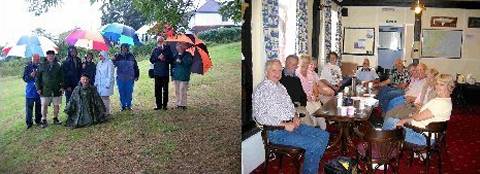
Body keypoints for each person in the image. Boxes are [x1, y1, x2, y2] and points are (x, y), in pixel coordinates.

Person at [253, 59, 329, 174]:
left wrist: (295, 116)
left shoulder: (281, 87)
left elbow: (290, 106)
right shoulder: (261, 90)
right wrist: (284, 125)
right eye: (274, 70)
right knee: (314, 144)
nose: (277, 74)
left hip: (293, 125)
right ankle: (309, 169)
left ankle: (309, 164)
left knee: (324, 135)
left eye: (279, 70)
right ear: (266, 71)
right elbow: (260, 117)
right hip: (277, 131)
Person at [383, 74, 455, 146]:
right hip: (421, 132)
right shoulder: (442, 100)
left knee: (390, 121)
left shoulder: (441, 103)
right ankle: (389, 145)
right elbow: (420, 117)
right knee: (395, 121)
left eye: (441, 85)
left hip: (421, 137)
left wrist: (412, 114)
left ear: (449, 87)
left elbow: (418, 117)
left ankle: (384, 150)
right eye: (437, 84)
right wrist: (406, 120)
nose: (437, 87)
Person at [36, 50, 64, 128]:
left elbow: (62, 77)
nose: (51, 57)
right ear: (46, 56)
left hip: (56, 89)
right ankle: (44, 119)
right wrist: (38, 88)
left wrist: (62, 87)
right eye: (49, 55)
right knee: (44, 105)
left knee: (56, 105)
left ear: (54, 56)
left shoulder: (59, 65)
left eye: (52, 55)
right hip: (45, 89)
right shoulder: (41, 65)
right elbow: (37, 78)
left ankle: (55, 118)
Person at [113, 44, 139, 111]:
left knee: (129, 91)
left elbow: (135, 66)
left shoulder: (131, 56)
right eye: (123, 48)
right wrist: (113, 59)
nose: (124, 49)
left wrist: (136, 75)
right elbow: (113, 65)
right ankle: (123, 106)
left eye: (126, 47)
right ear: (121, 48)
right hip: (120, 78)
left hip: (130, 77)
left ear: (127, 48)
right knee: (121, 91)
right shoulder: (117, 56)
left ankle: (129, 105)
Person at [150, 36, 173, 110]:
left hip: (165, 73)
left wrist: (164, 59)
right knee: (157, 90)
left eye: (161, 41)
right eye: (158, 41)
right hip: (157, 73)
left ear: (164, 41)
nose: (160, 42)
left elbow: (171, 60)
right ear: (157, 42)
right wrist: (158, 58)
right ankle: (158, 106)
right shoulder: (155, 50)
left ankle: (165, 106)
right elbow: (151, 60)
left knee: (165, 90)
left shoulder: (167, 49)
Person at [171, 42, 193, 110]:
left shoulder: (188, 54)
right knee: (177, 90)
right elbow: (173, 64)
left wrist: (181, 60)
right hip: (176, 75)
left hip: (184, 75)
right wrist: (172, 75)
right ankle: (178, 103)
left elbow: (188, 63)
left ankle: (183, 104)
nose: (178, 47)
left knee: (182, 89)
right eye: (177, 45)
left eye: (180, 45)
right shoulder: (175, 55)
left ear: (184, 47)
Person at [23, 54, 42, 129]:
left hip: (39, 91)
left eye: (38, 59)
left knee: (38, 107)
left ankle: (38, 120)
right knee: (29, 108)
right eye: (35, 59)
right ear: (32, 59)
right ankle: (29, 122)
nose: (37, 60)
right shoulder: (27, 67)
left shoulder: (41, 66)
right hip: (30, 91)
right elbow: (25, 79)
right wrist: (31, 75)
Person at [95, 51, 115, 115]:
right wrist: (96, 82)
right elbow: (97, 74)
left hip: (106, 83)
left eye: (101, 56)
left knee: (105, 97)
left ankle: (107, 111)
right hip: (100, 83)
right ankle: (102, 111)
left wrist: (108, 83)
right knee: (100, 97)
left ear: (104, 55)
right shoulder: (99, 63)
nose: (100, 57)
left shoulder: (109, 63)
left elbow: (110, 74)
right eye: (99, 56)